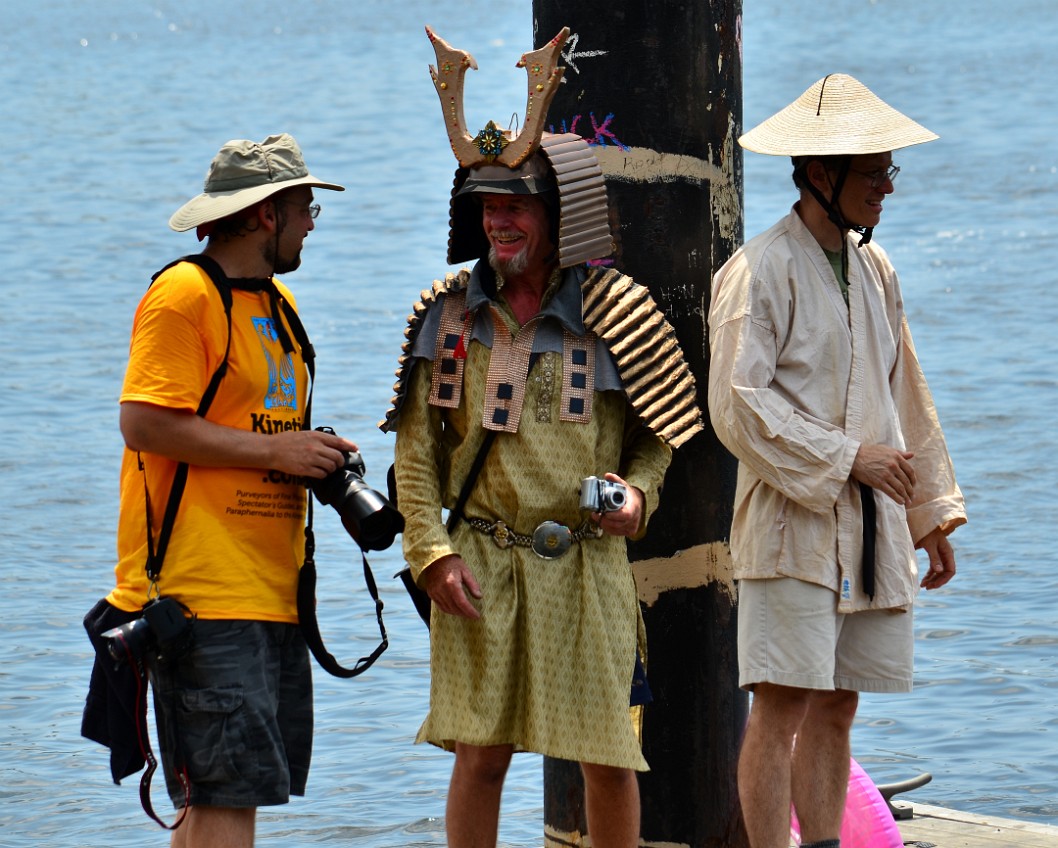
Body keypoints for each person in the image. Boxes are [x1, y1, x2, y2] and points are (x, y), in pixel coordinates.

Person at [380, 28, 702, 848]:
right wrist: (432, 554)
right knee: (480, 755)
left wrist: (639, 496)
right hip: (478, 561)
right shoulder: (444, 315)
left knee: (607, 757)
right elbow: (414, 457)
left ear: (564, 215)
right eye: (488, 205)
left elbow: (657, 440)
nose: (500, 222)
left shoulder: (616, 315)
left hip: (585, 563)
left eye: (517, 204)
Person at [707, 74, 968, 848]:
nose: (887, 187)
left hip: (865, 523)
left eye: (890, 171)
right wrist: (848, 458)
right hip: (790, 524)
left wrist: (928, 515)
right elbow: (738, 406)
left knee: (840, 701)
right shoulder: (760, 271)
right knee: (782, 699)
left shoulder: (875, 267)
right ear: (821, 175)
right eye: (874, 173)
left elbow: (904, 392)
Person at [102, 133, 352, 847]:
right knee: (223, 800)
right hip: (199, 590)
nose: (312, 222)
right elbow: (144, 424)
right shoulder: (185, 294)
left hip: (270, 588)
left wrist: (315, 458)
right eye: (305, 207)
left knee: (219, 799)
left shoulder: (280, 306)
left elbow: (255, 431)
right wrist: (277, 449)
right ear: (267, 214)